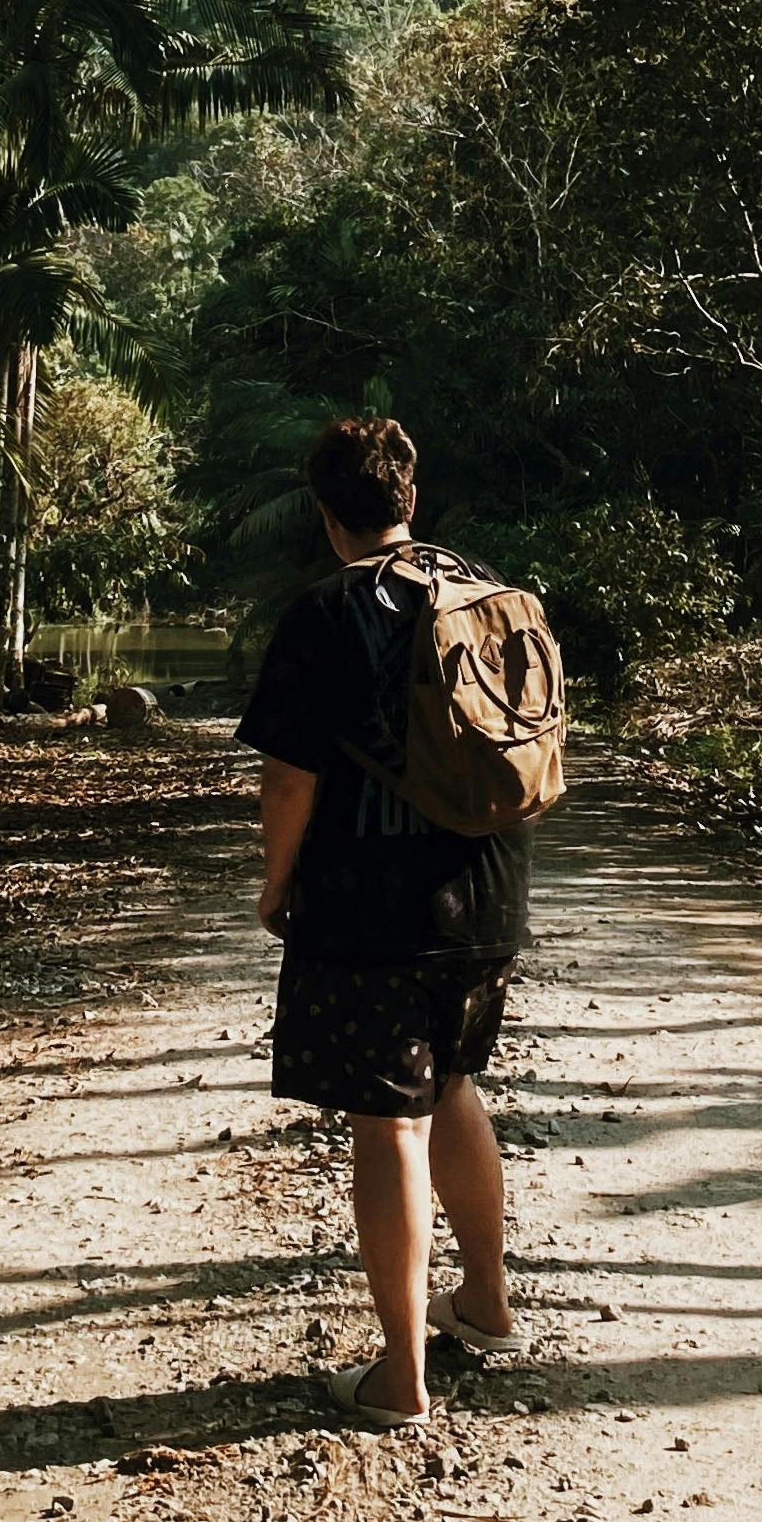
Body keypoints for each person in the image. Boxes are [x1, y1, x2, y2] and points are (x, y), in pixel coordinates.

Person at [236, 413, 527, 1428]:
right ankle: (484, 1303)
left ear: (325, 514)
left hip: (371, 903)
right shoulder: (484, 590)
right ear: (411, 495)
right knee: (452, 1085)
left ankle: (399, 1379)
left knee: (386, 1122)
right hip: (489, 893)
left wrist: (276, 884)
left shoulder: (325, 613)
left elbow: (287, 778)